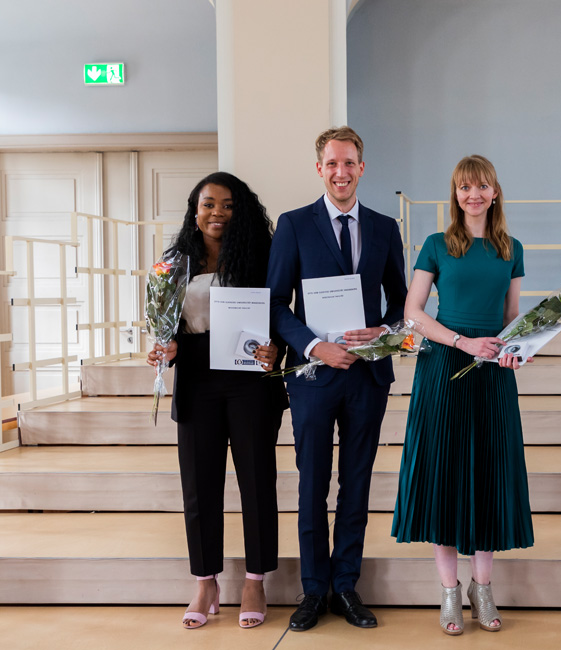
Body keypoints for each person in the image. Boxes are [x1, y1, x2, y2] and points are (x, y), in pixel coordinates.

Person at [267, 126, 408, 631]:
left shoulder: (385, 227)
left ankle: (345, 585)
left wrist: (382, 332)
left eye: (349, 163)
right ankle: (313, 590)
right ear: (319, 169)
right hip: (313, 377)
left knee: (356, 483)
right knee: (312, 485)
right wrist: (313, 345)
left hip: (367, 376)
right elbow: (276, 304)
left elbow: (402, 303)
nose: (341, 172)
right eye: (332, 163)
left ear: (361, 168)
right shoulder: (293, 224)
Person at [391, 155, 534, 636]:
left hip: (492, 373)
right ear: (455, 194)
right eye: (464, 187)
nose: (473, 194)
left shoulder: (511, 248)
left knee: (488, 473)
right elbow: (413, 312)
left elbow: (511, 318)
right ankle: (450, 592)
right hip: (443, 368)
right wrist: (461, 341)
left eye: (482, 186)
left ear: (495, 192)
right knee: (445, 474)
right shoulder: (436, 244)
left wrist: (517, 350)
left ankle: (483, 588)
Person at [147, 171, 287, 630]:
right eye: (208, 204)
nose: (218, 213)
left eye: (228, 205)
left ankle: (255, 580)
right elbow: (167, 326)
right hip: (195, 375)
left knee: (257, 481)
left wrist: (276, 350)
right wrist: (164, 348)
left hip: (250, 377)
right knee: (199, 485)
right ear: (195, 210)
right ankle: (205, 581)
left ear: (240, 210)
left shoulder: (262, 255)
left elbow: (280, 314)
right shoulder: (174, 262)